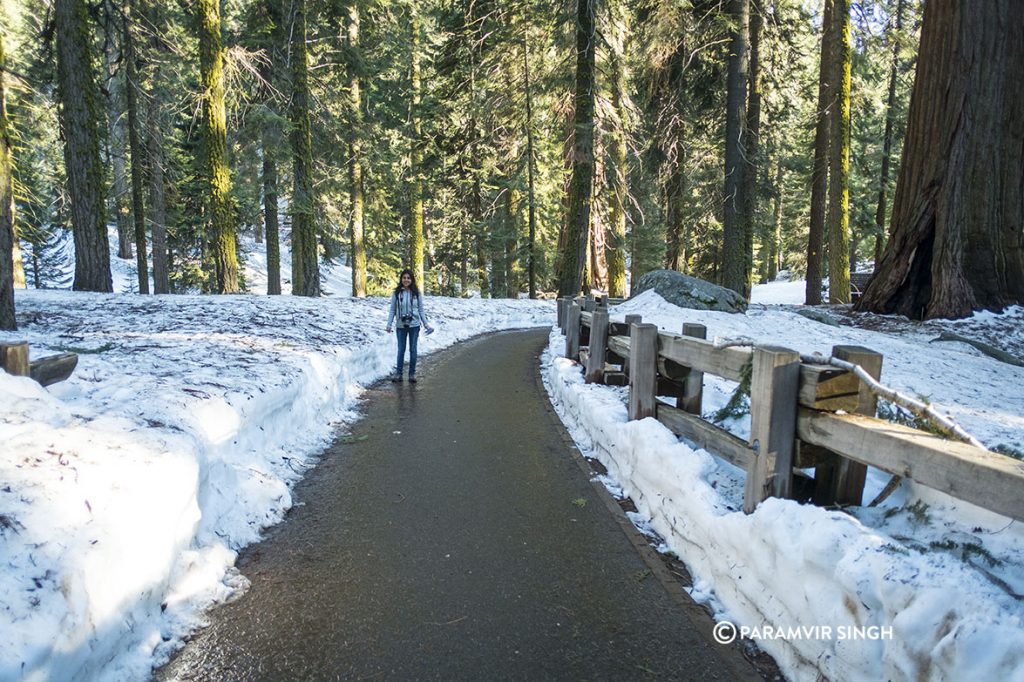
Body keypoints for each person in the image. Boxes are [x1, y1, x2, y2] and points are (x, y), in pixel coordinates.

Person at [385, 269, 434, 383]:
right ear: (401, 279)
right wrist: (389, 324)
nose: (406, 280)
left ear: (412, 280)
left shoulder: (417, 293)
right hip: (400, 326)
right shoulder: (396, 293)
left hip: (414, 325)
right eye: (404, 278)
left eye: (408, 278)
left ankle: (412, 374)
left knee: (413, 349)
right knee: (401, 350)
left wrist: (426, 324)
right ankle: (399, 374)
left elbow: (421, 310)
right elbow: (392, 310)